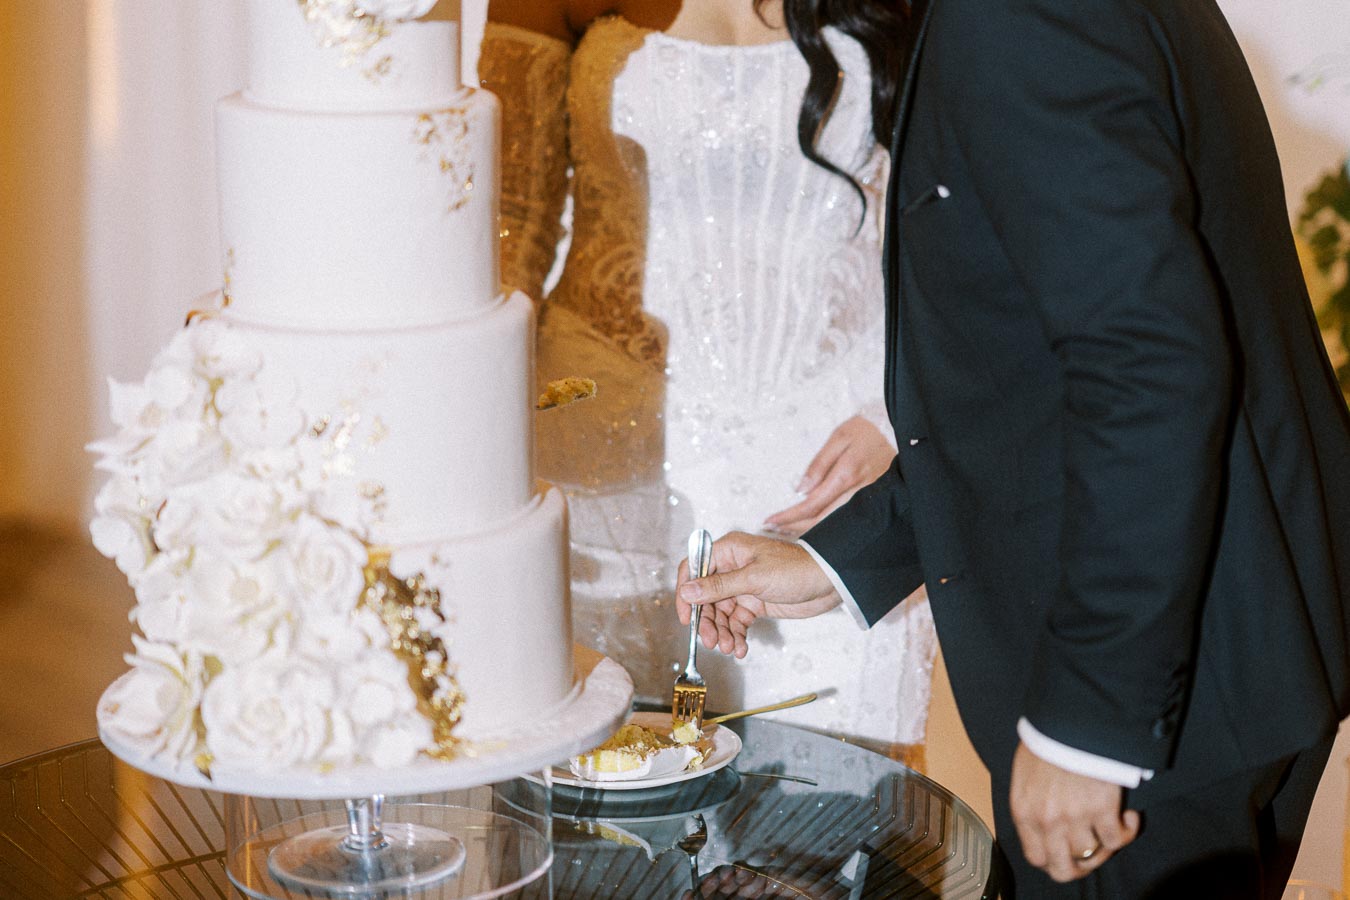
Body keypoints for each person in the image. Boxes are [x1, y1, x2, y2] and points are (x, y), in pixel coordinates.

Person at [676, 0, 1350, 896]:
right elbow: (1031, 385)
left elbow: (1148, 373)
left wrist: (1090, 726)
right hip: (1224, 641)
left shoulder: (1014, 17)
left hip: (1162, 693)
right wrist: (833, 561)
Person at [477, 0, 935, 760]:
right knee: (614, 817)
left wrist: (895, 414)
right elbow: (509, 222)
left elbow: (956, 221)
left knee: (831, 828)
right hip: (612, 458)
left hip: (836, 459)